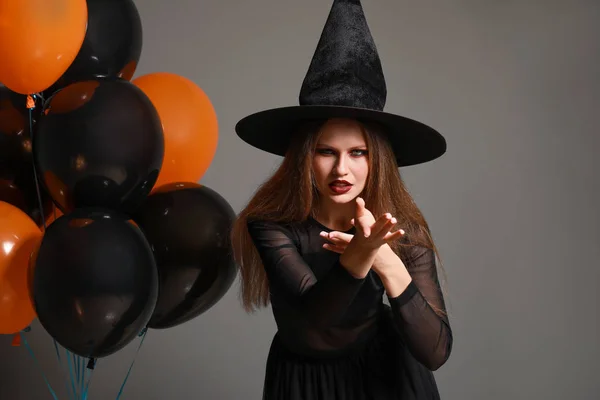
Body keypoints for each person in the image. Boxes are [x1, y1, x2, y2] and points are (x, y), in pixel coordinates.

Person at [231, 0, 452, 398]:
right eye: (326, 151)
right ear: (304, 157)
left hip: (388, 378)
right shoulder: (271, 224)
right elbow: (314, 329)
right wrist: (357, 258)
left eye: (358, 152)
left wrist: (384, 259)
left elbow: (434, 351)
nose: (342, 171)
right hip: (304, 381)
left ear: (378, 159)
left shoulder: (404, 228)